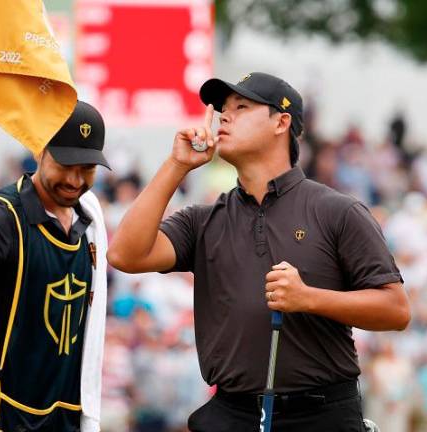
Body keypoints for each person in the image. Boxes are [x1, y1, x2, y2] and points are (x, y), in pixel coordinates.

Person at [108, 72, 410, 431]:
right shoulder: (204, 220)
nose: (224, 117)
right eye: (222, 110)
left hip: (320, 414)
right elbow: (125, 254)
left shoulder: (337, 211)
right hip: (230, 411)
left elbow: (396, 310)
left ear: (281, 122)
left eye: (242, 107)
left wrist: (308, 298)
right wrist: (177, 166)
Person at [0, 101, 110, 432]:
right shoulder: (0, 215)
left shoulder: (90, 221)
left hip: (63, 411)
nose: (75, 180)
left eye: (87, 168)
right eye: (66, 164)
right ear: (41, 150)